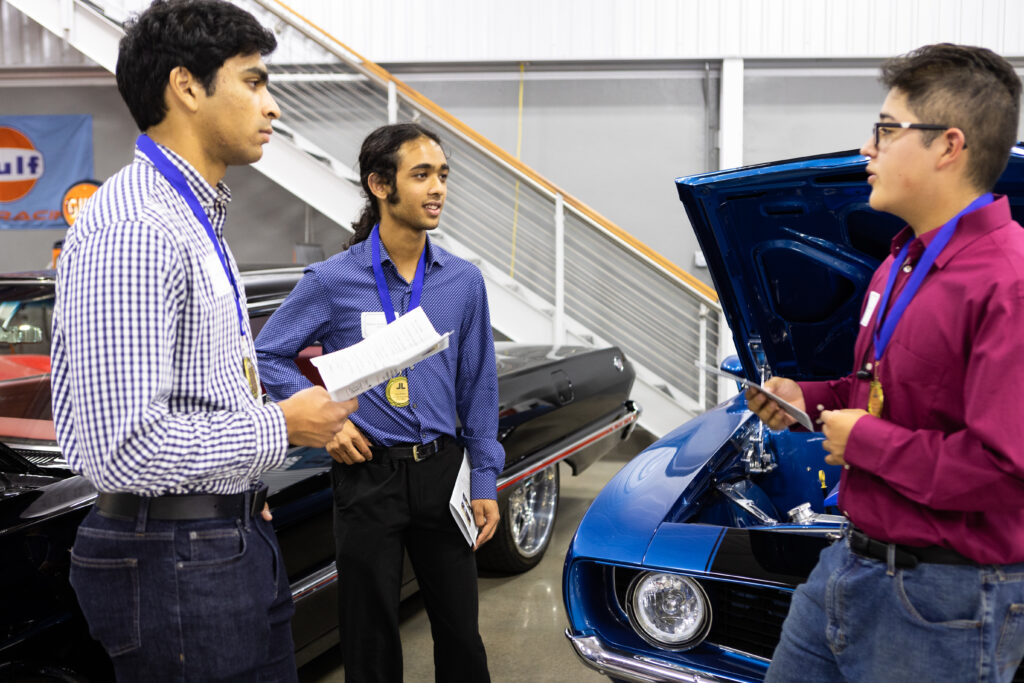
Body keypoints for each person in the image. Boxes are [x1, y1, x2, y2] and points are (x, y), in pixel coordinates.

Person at [50, 1, 356, 680]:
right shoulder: (135, 228)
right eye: (253, 81)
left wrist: (242, 487)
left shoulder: (193, 217)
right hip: (173, 555)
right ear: (186, 86)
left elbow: (199, 397)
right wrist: (281, 425)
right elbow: (125, 446)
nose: (270, 106)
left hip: (220, 535)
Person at [746, 43, 1024, 682]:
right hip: (850, 562)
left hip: (945, 596)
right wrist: (809, 397)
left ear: (948, 146)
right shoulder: (899, 263)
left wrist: (866, 443)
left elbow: (1007, 469)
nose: (866, 149)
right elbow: (876, 391)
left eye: (885, 131)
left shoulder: (1005, 283)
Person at [255, 122, 502, 682]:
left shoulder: (462, 282)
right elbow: (267, 355)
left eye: (442, 175)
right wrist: (327, 424)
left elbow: (479, 387)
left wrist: (484, 480)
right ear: (380, 185)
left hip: (444, 472)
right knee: (368, 634)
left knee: (462, 633)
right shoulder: (331, 280)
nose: (438, 188)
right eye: (421, 175)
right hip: (368, 476)